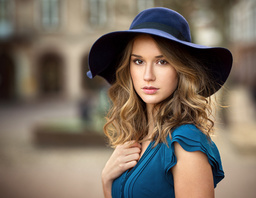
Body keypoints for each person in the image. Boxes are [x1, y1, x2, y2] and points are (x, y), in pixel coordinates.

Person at [87, 7, 232, 198]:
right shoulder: (137, 136)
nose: (148, 76)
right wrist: (107, 180)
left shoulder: (186, 143)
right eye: (138, 61)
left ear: (181, 70)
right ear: (128, 68)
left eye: (162, 62)